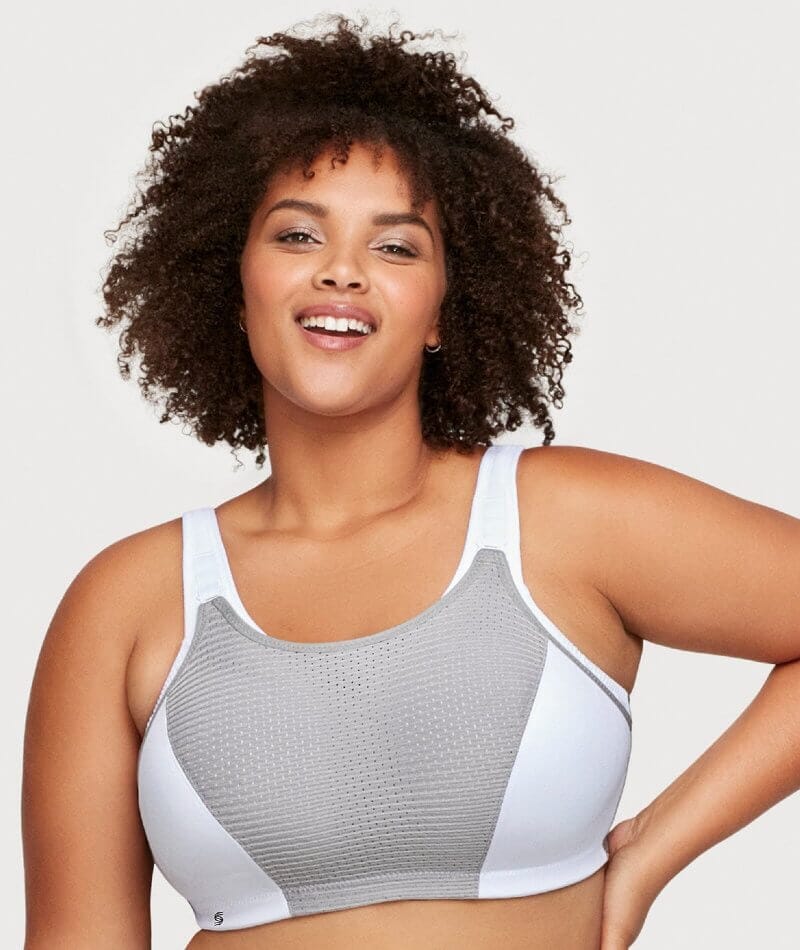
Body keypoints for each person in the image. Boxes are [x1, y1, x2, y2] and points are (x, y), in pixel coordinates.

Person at [21, 13, 800, 950]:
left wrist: (652, 849)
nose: (342, 273)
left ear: (441, 311)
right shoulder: (126, 603)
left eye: (395, 247)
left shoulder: (567, 521)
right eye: (297, 235)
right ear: (234, 284)